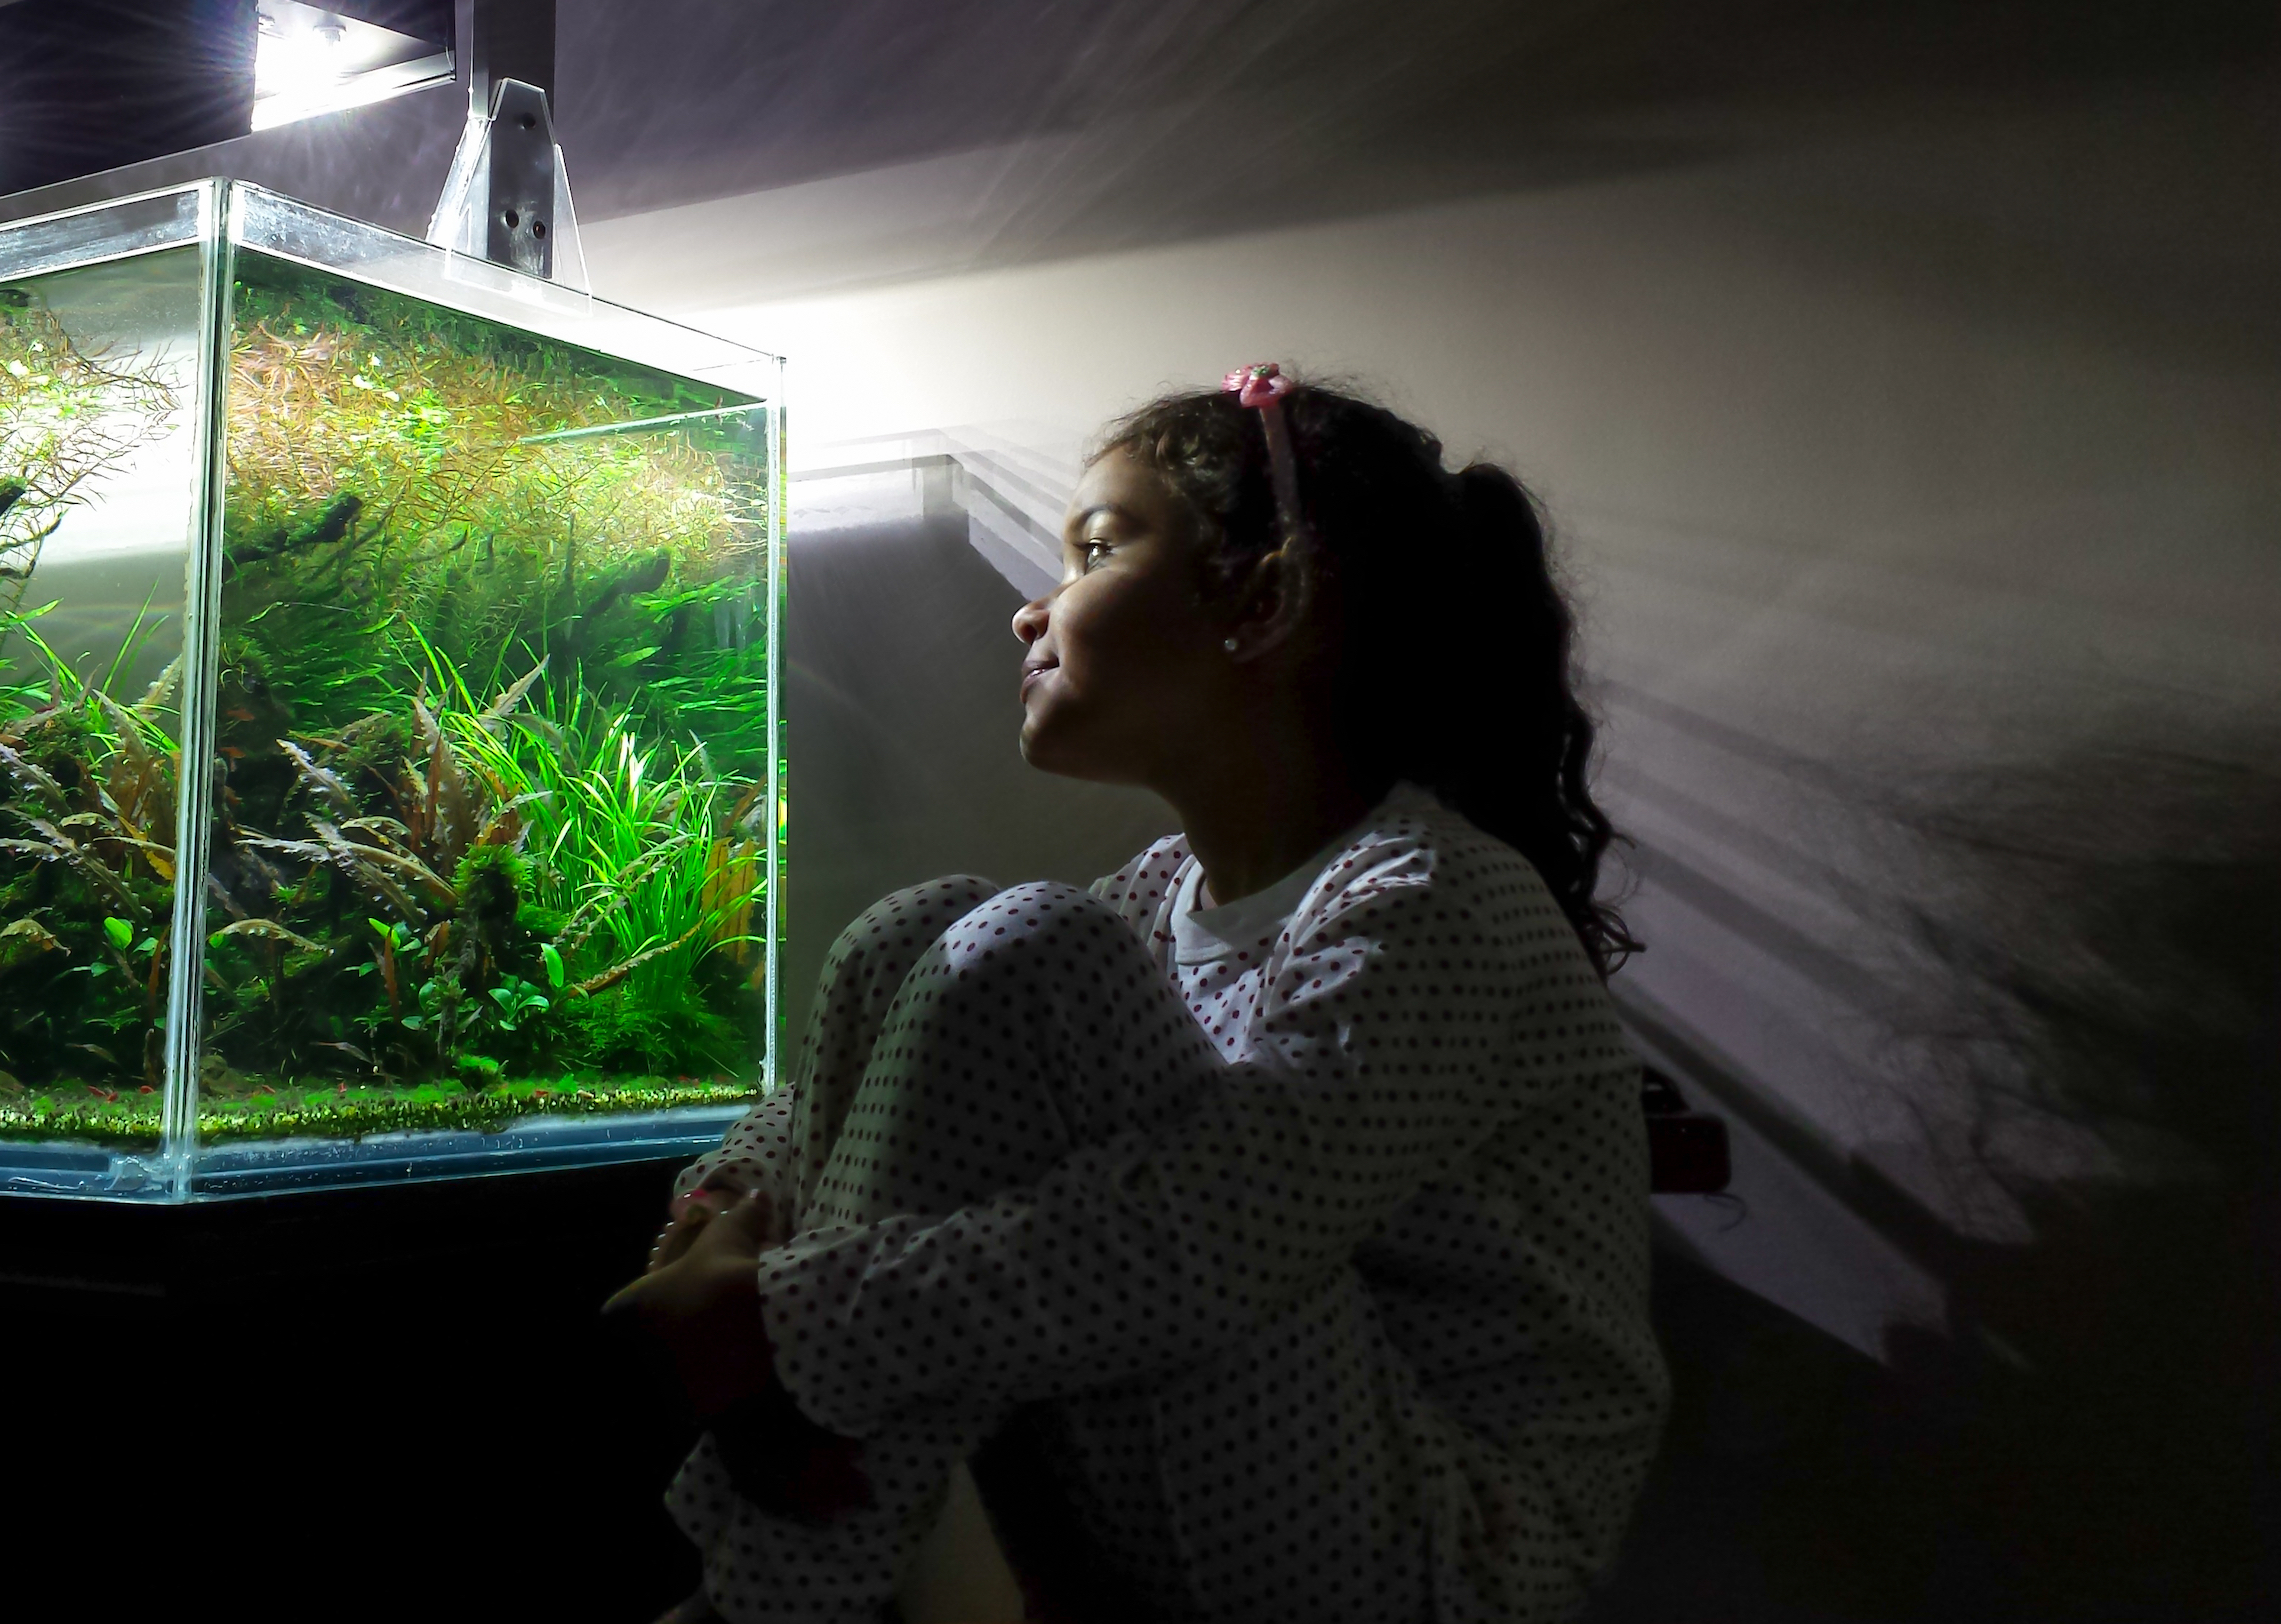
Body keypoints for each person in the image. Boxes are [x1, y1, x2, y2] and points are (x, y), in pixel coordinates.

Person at [607, 369, 1669, 1624]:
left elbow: (1204, 1233)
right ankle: (792, 1562)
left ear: (1266, 599)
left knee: (1019, 943)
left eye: (1097, 548)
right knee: (921, 931)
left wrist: (780, 1320)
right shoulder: (1159, 891)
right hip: (1215, 1476)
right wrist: (717, 1217)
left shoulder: (1438, 899)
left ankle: (767, 1582)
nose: (1029, 613)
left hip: (1441, 1549)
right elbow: (846, 1086)